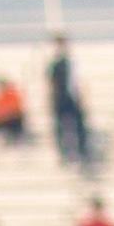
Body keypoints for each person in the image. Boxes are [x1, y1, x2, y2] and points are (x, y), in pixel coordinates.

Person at [47, 36, 87, 165]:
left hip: (72, 97)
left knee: (79, 125)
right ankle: (63, 154)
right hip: (60, 98)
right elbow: (50, 83)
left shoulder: (72, 62)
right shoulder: (54, 63)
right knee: (60, 127)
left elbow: (77, 82)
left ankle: (82, 151)